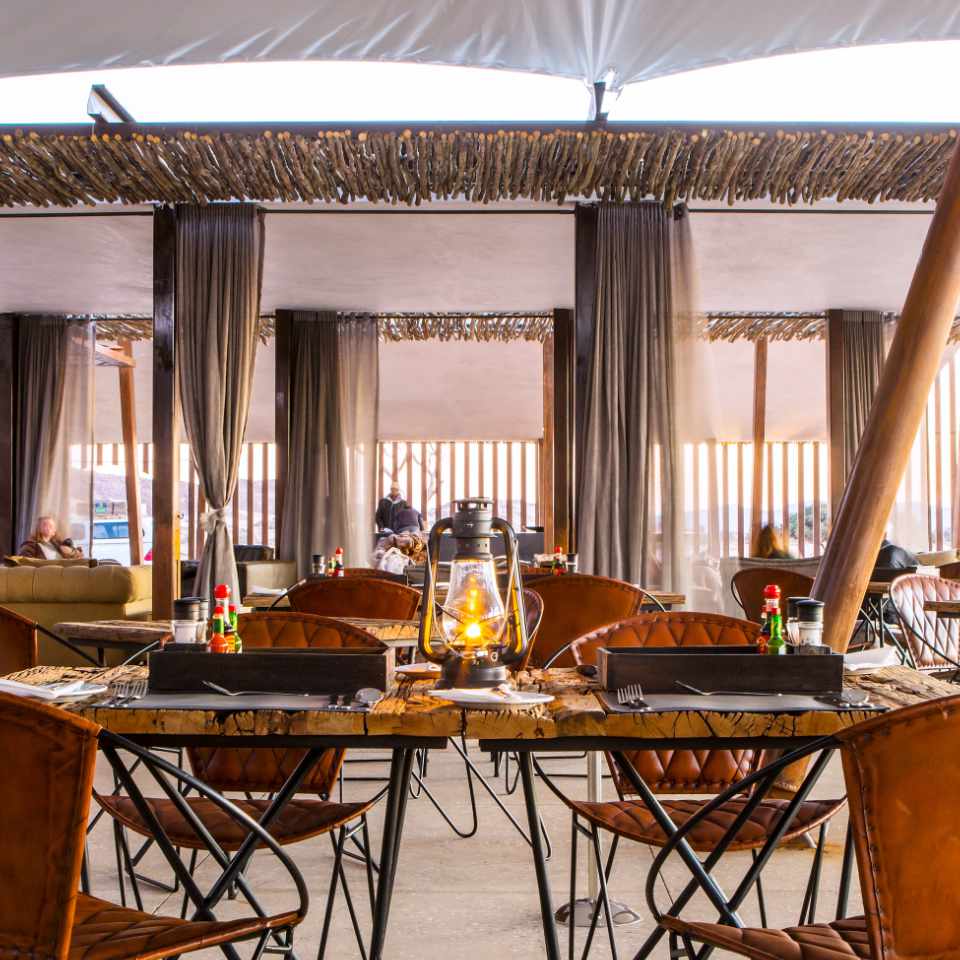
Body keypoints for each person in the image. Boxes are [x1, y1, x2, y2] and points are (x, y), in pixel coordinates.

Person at [19, 515, 83, 560]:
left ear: (54, 531)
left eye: (51, 526)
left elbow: (80, 556)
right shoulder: (30, 545)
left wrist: (71, 552)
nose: (48, 527)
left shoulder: (59, 544)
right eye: (44, 524)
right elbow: (24, 562)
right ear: (38, 528)